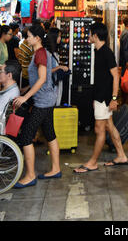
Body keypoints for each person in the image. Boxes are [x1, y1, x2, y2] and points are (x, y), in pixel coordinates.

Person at [73, 22, 128, 173]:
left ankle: (92, 162)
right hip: (100, 97)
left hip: (105, 99)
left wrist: (114, 99)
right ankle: (121, 155)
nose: (88, 36)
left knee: (99, 130)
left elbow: (116, 76)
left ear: (95, 36)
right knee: (109, 126)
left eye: (90, 34)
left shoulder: (106, 52)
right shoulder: (98, 51)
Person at [13, 24, 61, 188]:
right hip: (48, 99)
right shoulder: (41, 53)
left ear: (37, 38)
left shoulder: (40, 54)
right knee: (49, 133)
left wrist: (25, 96)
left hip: (43, 101)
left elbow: (41, 79)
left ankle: (30, 175)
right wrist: (24, 89)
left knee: (26, 135)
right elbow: (43, 78)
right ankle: (55, 169)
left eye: (29, 36)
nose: (27, 39)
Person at [44, 27, 69, 106]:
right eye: (59, 36)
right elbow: (45, 71)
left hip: (55, 86)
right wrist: (59, 67)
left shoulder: (54, 52)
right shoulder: (47, 52)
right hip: (49, 87)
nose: (60, 38)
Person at [17, 28, 34, 93]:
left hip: (24, 72)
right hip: (28, 74)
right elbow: (33, 62)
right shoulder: (29, 47)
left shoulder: (22, 44)